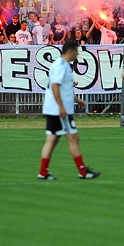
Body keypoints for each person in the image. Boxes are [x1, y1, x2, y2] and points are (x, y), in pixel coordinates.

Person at [38, 40, 101, 180]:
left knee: (52, 139)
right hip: (59, 110)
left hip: (54, 109)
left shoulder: (61, 65)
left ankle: (43, 171)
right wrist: (61, 106)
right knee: (73, 137)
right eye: (77, 52)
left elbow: (64, 87)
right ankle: (82, 171)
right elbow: (55, 86)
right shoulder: (61, 66)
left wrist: (78, 100)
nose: (77, 55)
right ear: (71, 51)